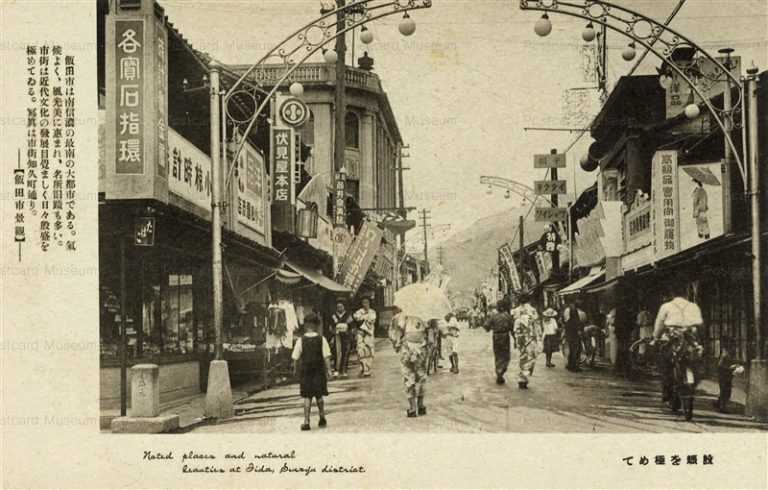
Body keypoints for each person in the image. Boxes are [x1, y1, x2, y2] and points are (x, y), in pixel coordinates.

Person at [652, 282, 704, 407]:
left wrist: (655, 337)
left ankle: (667, 391)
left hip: (672, 339)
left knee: (665, 364)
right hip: (690, 339)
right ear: (686, 293)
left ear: (672, 294)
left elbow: (659, 325)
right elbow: (700, 324)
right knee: (695, 360)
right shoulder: (693, 306)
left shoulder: (666, 306)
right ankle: (692, 383)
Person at [291, 313, 332, 431]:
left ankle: (306, 421)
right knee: (319, 395)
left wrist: (295, 370)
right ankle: (322, 416)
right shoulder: (321, 339)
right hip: (319, 370)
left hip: (306, 371)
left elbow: (295, 357)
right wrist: (329, 370)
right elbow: (326, 356)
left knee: (307, 396)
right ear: (316, 325)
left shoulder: (301, 340)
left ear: (306, 325)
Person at [389, 306, 429, 417]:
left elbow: (394, 334)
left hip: (406, 349)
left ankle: (412, 408)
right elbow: (431, 335)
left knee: (408, 376)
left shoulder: (400, 317)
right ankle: (421, 406)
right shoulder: (425, 315)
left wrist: (396, 344)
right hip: (421, 348)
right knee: (421, 376)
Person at [483, 298, 515, 384]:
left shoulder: (494, 316)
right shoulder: (507, 316)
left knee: (498, 354)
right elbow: (512, 329)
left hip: (496, 337)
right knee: (505, 355)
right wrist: (515, 339)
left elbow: (486, 327)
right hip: (505, 337)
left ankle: (499, 372)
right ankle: (501, 371)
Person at [514, 311, 539, 389]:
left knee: (523, 358)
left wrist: (516, 341)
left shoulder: (517, 320)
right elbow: (536, 331)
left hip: (521, 340)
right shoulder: (533, 318)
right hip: (530, 341)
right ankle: (524, 378)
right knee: (530, 359)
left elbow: (515, 331)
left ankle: (522, 378)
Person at [353, 297, 377, 377]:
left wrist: (364, 318)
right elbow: (357, 319)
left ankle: (368, 369)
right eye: (364, 302)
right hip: (360, 333)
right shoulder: (358, 312)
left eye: (367, 302)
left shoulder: (372, 312)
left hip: (369, 334)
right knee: (361, 350)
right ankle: (362, 368)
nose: (365, 304)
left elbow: (371, 320)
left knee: (369, 350)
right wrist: (364, 318)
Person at [330, 300, 354, 377]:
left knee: (346, 352)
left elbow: (352, 327)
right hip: (337, 336)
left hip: (346, 336)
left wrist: (350, 333)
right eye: (338, 307)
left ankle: (344, 370)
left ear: (344, 307)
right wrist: (333, 332)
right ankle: (336, 369)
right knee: (336, 353)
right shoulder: (334, 316)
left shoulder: (348, 315)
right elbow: (331, 327)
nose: (339, 308)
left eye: (341, 306)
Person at [563, 299, 586, 372]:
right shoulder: (573, 310)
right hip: (573, 332)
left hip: (570, 332)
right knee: (575, 349)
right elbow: (574, 321)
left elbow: (566, 321)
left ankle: (570, 365)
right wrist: (578, 329)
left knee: (573, 349)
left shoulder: (568, 309)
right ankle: (574, 366)